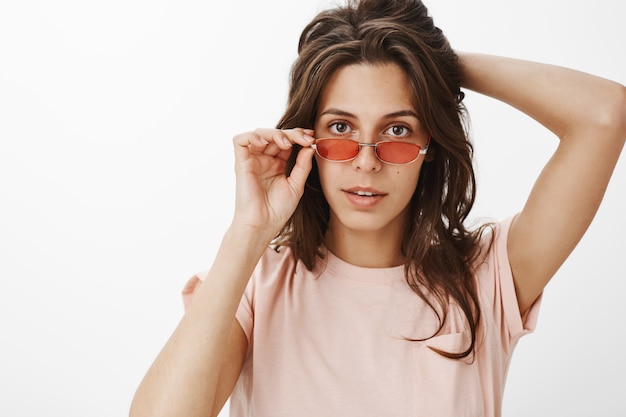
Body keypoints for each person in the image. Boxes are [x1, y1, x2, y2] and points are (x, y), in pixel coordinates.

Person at [129, 0, 625, 416]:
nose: (366, 163)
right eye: (342, 128)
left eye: (397, 130)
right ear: (309, 139)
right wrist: (248, 230)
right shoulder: (257, 285)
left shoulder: (488, 278)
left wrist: (433, 65)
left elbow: (605, 115)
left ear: (429, 145)